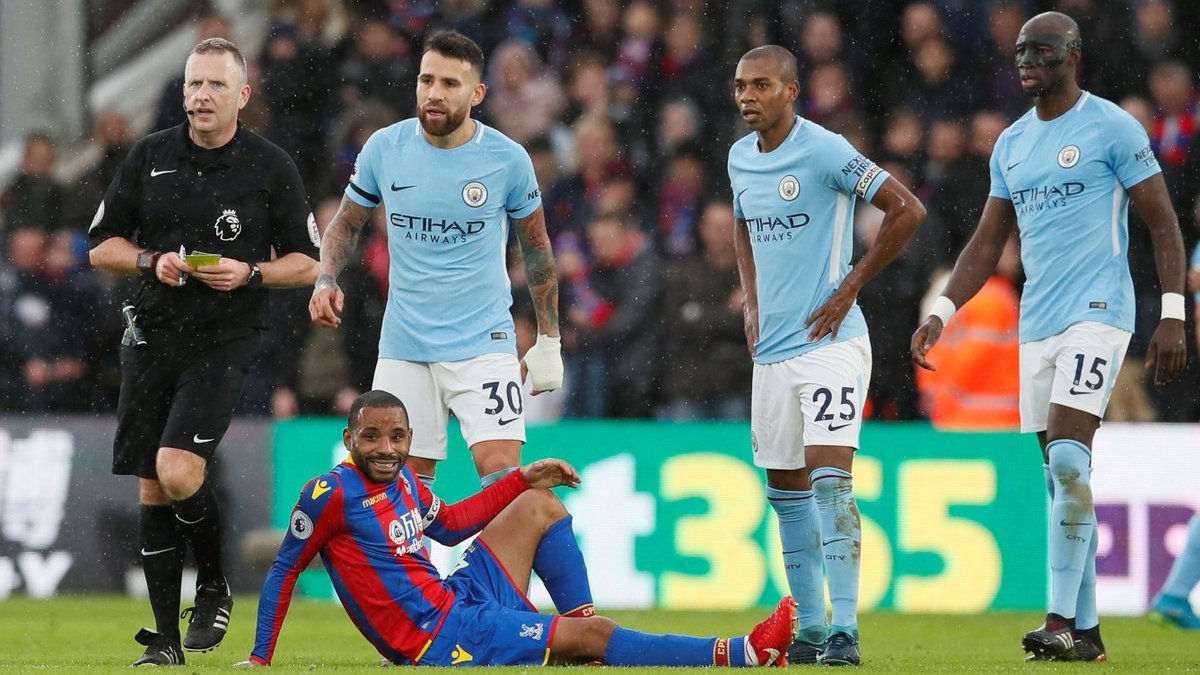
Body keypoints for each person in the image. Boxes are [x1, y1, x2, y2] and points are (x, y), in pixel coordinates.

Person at [911, 12, 1188, 663]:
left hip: (1099, 310)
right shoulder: (1011, 143)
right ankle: (1086, 634)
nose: (1027, 62)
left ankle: (1058, 619)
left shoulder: (1111, 126)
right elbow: (987, 241)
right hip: (1037, 323)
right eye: (1020, 52)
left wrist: (1174, 312)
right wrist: (943, 311)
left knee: (1067, 459)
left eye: (1041, 50)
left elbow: (1163, 221)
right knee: (1063, 478)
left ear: (1073, 55)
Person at [308, 30, 590, 619]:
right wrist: (326, 277)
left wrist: (549, 338)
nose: (434, 93)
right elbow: (346, 223)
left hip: (483, 342)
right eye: (426, 80)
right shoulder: (385, 148)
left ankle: (573, 619)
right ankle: (422, 618)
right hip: (404, 345)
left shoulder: (506, 159)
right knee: (402, 486)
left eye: (449, 84)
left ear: (477, 93)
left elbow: (538, 249)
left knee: (505, 476)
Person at [240, 390, 798, 667]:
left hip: (456, 598)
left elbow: (450, 528)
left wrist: (521, 478)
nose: (386, 448)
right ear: (349, 439)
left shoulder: (405, 479)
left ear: (409, 438)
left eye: (397, 437)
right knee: (601, 636)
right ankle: (744, 653)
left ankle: (582, 633)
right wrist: (261, 659)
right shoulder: (330, 494)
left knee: (537, 503)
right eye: (372, 437)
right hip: (441, 638)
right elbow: (284, 569)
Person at [87, 37, 320, 666]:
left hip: (223, 340)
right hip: (151, 336)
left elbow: (307, 262)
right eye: (194, 84)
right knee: (152, 487)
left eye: (216, 85)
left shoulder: (270, 165)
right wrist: (150, 260)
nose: (202, 96)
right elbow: (100, 245)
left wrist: (251, 273)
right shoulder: (150, 155)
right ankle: (165, 641)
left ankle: (214, 582)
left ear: (242, 95)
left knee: (177, 470)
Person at [728, 46, 926, 667]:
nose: (747, 96)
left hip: (830, 345)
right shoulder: (739, 157)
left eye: (761, 85)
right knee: (785, 489)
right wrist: (752, 302)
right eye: (740, 86)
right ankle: (811, 629)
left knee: (830, 480)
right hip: (772, 352)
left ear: (791, 91)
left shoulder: (825, 150)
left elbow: (907, 209)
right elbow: (742, 224)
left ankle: (846, 629)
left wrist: (849, 288)